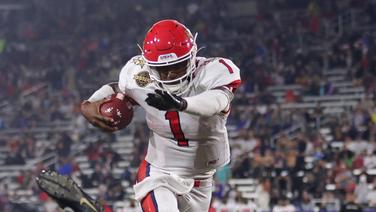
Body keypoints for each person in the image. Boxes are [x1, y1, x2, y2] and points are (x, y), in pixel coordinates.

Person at [37, 19, 241, 212]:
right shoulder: (139, 75)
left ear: (192, 56)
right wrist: (87, 104)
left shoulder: (213, 72)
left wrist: (181, 104)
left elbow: (217, 101)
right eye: (163, 70)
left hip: (203, 181)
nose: (170, 75)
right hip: (160, 173)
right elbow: (119, 89)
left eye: (176, 67)